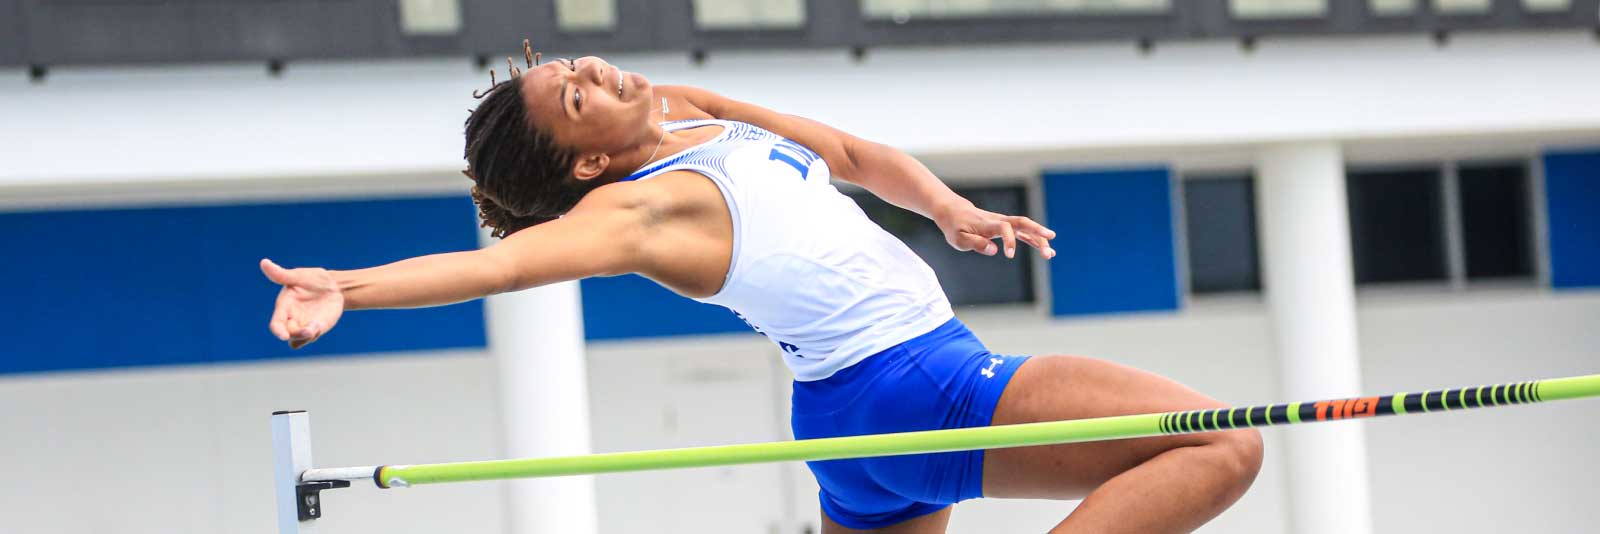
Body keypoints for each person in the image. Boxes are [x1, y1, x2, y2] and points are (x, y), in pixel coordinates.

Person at [261, 46, 1262, 533]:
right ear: (581, 169)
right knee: (1225, 440)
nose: (601, 73)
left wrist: (948, 207)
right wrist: (346, 285)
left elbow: (850, 152)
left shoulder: (690, 111)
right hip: (919, 389)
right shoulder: (634, 213)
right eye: (580, 98)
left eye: (577, 66)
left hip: (843, 422)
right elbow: (497, 267)